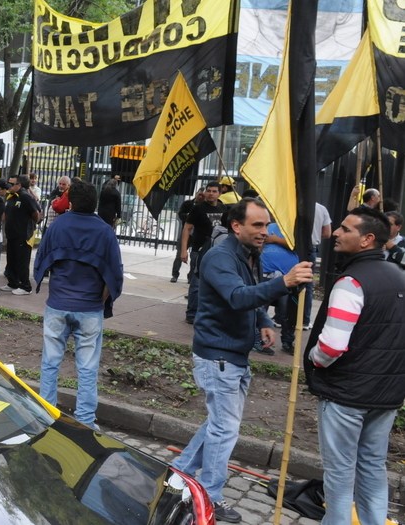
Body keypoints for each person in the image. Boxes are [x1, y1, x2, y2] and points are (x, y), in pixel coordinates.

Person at [171, 198, 313, 523]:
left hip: (233, 354)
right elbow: (236, 296)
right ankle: (208, 497)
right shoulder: (220, 256)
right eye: (258, 226)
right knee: (225, 428)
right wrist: (285, 282)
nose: (265, 232)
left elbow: (248, 292)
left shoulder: (248, 254)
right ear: (237, 226)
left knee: (219, 424)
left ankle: (178, 473)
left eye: (266, 225)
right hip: (218, 356)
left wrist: (263, 319)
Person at [305, 206, 405, 525]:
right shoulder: (400, 276)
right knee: (373, 466)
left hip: (345, 394)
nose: (336, 232)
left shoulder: (351, 282)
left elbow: (332, 345)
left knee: (340, 472)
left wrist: (315, 360)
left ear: (367, 240)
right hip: (386, 395)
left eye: (346, 229)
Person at [33, 179, 123, 429]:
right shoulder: (104, 231)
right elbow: (114, 274)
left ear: (70, 201)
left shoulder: (58, 225)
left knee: (50, 362)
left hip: (58, 305)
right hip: (90, 308)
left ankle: (46, 414)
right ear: (95, 203)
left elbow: (42, 262)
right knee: (87, 368)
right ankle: (85, 420)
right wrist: (101, 300)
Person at [180, 182, 228, 324]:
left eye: (214, 191)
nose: (211, 193)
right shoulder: (198, 209)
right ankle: (192, 313)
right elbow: (187, 229)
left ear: (219, 193)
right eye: (209, 191)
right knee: (196, 283)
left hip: (218, 251)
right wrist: (183, 250)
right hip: (200, 250)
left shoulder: (223, 208)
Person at [260, 222, 298, 355]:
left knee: (286, 311)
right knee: (260, 307)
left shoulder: (294, 227)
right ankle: (260, 341)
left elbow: (297, 244)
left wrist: (275, 239)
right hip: (266, 273)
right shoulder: (268, 225)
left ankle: (287, 342)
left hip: (287, 277)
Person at [2, 174, 40, 295]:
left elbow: (36, 213)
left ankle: (25, 286)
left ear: (19, 185)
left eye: (12, 184)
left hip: (23, 235)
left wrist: (30, 225)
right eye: (8, 183)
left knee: (22, 261)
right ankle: (13, 282)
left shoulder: (25, 197)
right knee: (11, 260)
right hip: (11, 234)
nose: (9, 186)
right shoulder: (11, 197)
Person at [171, 187, 204, 283]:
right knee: (179, 254)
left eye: (203, 195)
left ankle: (191, 277)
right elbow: (180, 214)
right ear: (196, 194)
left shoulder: (204, 207)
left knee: (195, 257)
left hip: (197, 234)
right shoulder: (187, 204)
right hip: (186, 232)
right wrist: (190, 216)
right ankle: (175, 275)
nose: (201, 197)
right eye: (199, 195)